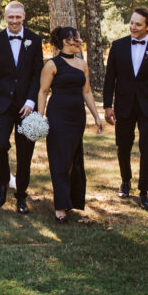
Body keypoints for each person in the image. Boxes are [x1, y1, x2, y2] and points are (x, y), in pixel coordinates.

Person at [103, 7, 148, 211]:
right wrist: (108, 106)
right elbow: (110, 80)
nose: (133, 27)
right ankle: (125, 180)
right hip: (124, 106)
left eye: (138, 24)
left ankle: (144, 191)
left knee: (147, 147)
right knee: (123, 145)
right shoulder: (118, 46)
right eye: (131, 22)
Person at [36, 27, 104, 223]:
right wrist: (39, 118)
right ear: (66, 41)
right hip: (58, 115)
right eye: (76, 38)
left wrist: (96, 117)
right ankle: (60, 206)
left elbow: (87, 92)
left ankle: (71, 200)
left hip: (77, 116)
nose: (80, 41)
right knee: (60, 159)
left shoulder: (82, 64)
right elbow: (43, 92)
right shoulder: (52, 64)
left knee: (73, 159)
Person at [0, 1, 43, 214]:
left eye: (18, 17)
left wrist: (31, 101)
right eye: (11, 17)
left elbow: (38, 73)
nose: (15, 21)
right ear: (5, 17)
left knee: (25, 152)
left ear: (24, 16)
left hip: (27, 106)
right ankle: (2, 182)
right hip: (2, 104)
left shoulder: (35, 40)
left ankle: (21, 195)